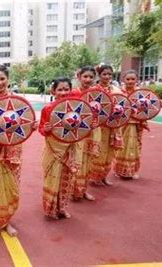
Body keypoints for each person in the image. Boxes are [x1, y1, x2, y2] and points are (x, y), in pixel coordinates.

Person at [0, 64, 37, 236]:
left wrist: (32, 126)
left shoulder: (17, 101)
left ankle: (7, 219)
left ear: (8, 80)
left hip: (13, 148)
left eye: (2, 78)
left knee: (11, 186)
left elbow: (25, 123)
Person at [39, 77, 80, 219]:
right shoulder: (47, 109)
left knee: (66, 179)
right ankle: (50, 209)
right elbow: (41, 130)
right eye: (60, 89)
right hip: (53, 149)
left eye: (66, 89)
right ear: (53, 91)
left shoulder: (77, 107)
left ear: (71, 90)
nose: (63, 92)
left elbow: (82, 128)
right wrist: (46, 129)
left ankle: (62, 207)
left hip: (69, 148)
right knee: (52, 178)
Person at [113, 70, 162, 180]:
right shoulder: (119, 92)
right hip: (122, 124)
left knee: (134, 147)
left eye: (133, 79)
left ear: (137, 80)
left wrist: (159, 102)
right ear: (123, 80)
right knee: (120, 146)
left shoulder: (141, 92)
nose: (130, 81)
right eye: (128, 79)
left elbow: (155, 102)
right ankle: (119, 169)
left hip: (136, 124)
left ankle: (132, 170)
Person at [89, 64, 123, 186]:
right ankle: (95, 177)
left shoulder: (116, 89)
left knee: (110, 152)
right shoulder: (94, 90)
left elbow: (123, 103)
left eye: (109, 74)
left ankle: (104, 176)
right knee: (100, 151)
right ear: (99, 75)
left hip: (113, 126)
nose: (107, 76)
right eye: (104, 74)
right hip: (100, 126)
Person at [71, 66, 98, 201]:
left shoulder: (98, 94)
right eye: (85, 76)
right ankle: (73, 190)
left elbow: (105, 110)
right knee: (77, 160)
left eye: (91, 77)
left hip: (93, 131)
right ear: (79, 77)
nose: (88, 79)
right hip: (77, 132)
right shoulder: (73, 93)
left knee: (88, 160)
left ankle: (83, 189)